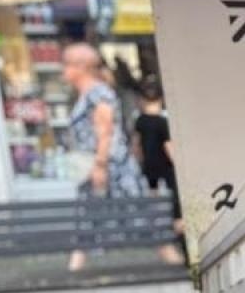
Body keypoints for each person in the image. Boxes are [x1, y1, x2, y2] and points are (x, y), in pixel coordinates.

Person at [62, 42, 146, 273]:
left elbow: (105, 130)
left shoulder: (98, 92)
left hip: (111, 167)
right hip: (95, 167)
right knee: (88, 216)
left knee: (138, 214)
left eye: (66, 64)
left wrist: (100, 165)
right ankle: (75, 265)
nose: (63, 71)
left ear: (81, 66)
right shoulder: (90, 93)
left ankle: (173, 260)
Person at [134, 80, 184, 266]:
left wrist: (140, 161)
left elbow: (137, 146)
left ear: (141, 100)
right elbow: (169, 146)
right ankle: (178, 236)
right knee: (174, 205)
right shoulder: (164, 123)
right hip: (166, 170)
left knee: (156, 204)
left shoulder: (140, 121)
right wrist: (179, 164)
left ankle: (165, 232)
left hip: (149, 170)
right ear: (162, 99)